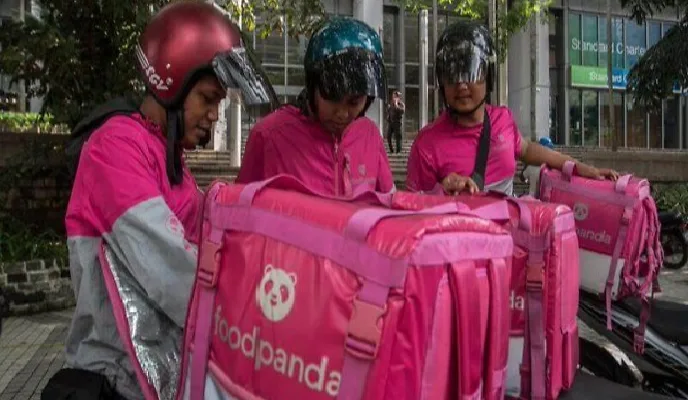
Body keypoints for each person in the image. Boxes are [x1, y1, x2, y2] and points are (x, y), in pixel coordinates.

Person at [57, 2, 276, 399]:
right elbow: (171, 268)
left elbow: (210, 238)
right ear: (171, 81)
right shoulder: (115, 148)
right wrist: (263, 323)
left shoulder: (166, 153)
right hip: (117, 379)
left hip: (167, 373)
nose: (214, 115)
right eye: (208, 98)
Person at [406, 21, 618, 196]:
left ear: (489, 76)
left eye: (471, 73)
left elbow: (526, 149)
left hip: (510, 231)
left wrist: (578, 167)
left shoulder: (503, 119)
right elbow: (412, 209)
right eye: (452, 75)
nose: (461, 85)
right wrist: (441, 192)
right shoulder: (426, 145)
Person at [236, 16, 395, 196]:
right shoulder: (268, 136)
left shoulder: (369, 136)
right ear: (313, 88)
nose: (342, 114)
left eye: (354, 102)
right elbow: (241, 207)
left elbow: (388, 202)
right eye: (333, 98)